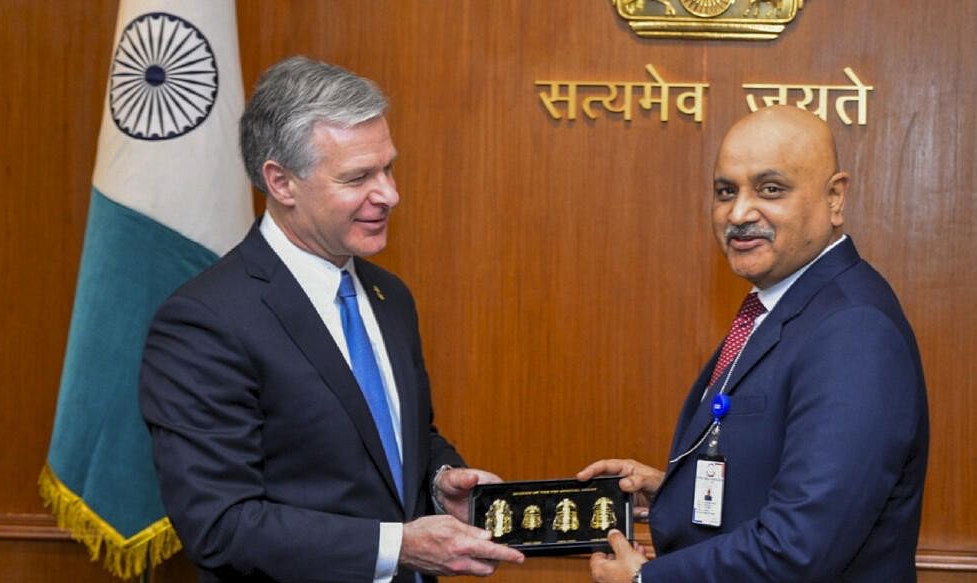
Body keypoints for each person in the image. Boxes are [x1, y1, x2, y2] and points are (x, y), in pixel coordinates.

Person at [138, 55, 524, 582]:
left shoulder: (391, 297)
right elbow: (220, 525)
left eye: (388, 167)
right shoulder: (205, 323)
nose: (389, 193)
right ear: (281, 182)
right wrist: (399, 546)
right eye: (358, 176)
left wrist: (441, 481)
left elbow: (397, 437)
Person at [579, 105, 929, 582]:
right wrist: (674, 494)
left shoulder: (854, 331)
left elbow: (799, 546)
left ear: (834, 198)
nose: (739, 213)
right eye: (726, 191)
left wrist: (646, 581)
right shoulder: (784, 304)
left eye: (770, 189)